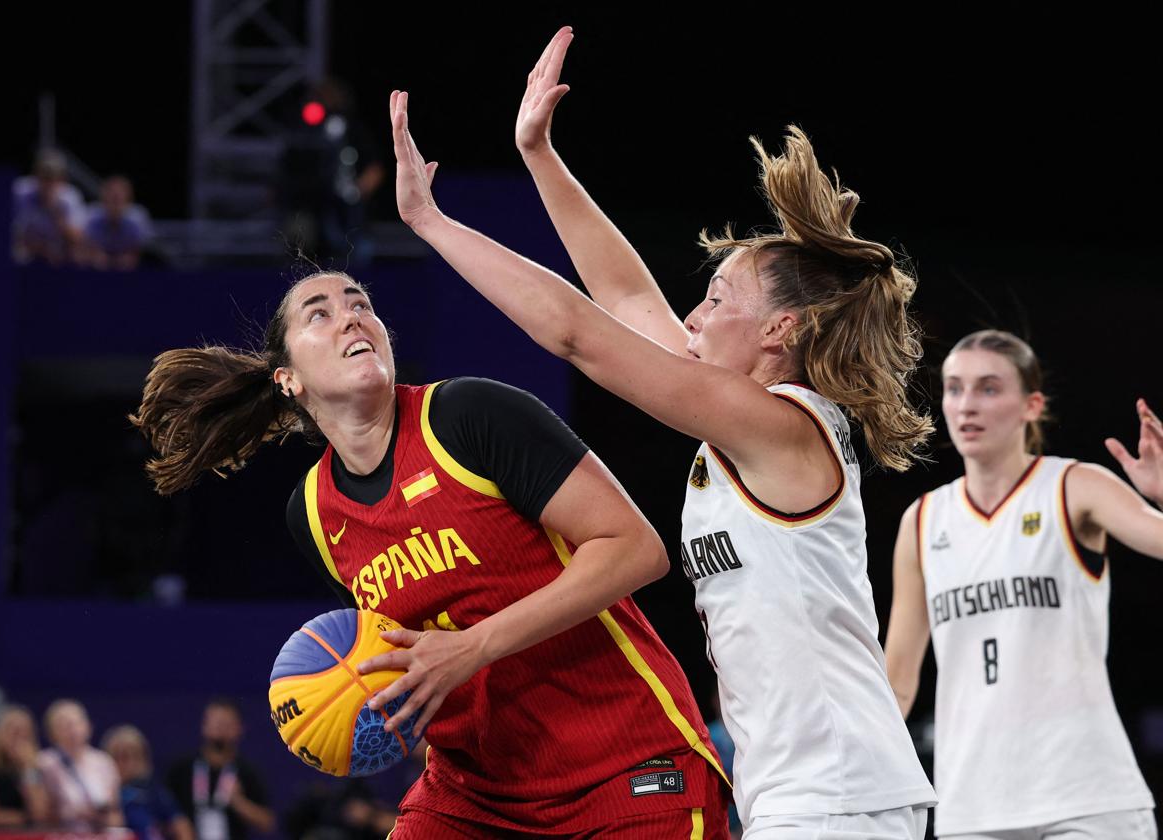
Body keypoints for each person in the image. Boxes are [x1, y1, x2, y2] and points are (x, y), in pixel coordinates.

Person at [378, 26, 938, 839]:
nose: (693, 317)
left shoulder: (783, 427)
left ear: (780, 331)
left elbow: (579, 333)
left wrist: (432, 223)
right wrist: (539, 154)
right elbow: (620, 294)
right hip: (806, 795)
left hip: (842, 796)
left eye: (716, 299)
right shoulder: (742, 421)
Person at [131, 269, 730, 837]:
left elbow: (636, 550)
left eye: (361, 305)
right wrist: (355, 716)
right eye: (321, 314)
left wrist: (473, 647)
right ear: (289, 379)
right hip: (479, 793)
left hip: (625, 763)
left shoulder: (468, 415)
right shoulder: (313, 514)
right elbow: (395, 656)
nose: (351, 318)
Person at [884, 329, 1161, 839]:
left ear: (1031, 405)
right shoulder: (922, 520)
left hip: (1088, 799)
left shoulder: (1073, 485)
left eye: (989, 388)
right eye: (954, 387)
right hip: (972, 807)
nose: (967, 404)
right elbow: (898, 681)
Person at [164, 699, 274, 840]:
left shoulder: (247, 772)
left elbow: (268, 823)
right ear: (204, 725)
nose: (221, 728)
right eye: (216, 723)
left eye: (226, 724)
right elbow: (161, 817)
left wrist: (239, 802)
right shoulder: (181, 770)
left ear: (239, 728)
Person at [37, 698, 124, 831]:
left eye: (75, 723)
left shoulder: (103, 762)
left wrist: (102, 818)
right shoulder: (44, 763)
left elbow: (116, 815)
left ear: (88, 726)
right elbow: (40, 815)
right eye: (64, 725)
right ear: (52, 733)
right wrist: (73, 814)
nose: (72, 730)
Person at [103, 724, 195, 840]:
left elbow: (181, 825)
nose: (123, 764)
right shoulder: (100, 792)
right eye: (117, 756)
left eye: (128, 757)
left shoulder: (152, 792)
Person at [0, 705, 50, 828]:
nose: (18, 739)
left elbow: (40, 813)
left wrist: (28, 769)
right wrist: (26, 818)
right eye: (13, 732)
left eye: (24, 733)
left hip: (28, 834)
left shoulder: (33, 768)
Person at [11, 148, 86, 266]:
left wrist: (55, 211)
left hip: (56, 253)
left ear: (62, 179)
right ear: (35, 175)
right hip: (26, 248)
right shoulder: (21, 190)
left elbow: (78, 238)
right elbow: (6, 226)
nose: (48, 183)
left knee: (78, 254)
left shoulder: (70, 197)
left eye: (53, 178)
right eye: (45, 177)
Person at [82, 175, 153, 270]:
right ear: (103, 198)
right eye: (111, 198)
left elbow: (141, 250)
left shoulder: (138, 217)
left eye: (118, 199)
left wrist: (131, 256)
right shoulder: (91, 215)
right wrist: (94, 254)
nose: (115, 204)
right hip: (97, 267)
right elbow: (84, 246)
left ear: (128, 199)